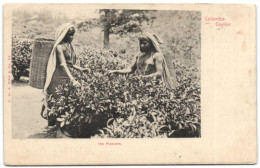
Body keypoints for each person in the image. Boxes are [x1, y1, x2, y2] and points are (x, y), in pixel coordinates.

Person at [41, 23, 89, 125]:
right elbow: (63, 64)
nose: (71, 37)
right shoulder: (59, 47)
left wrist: (81, 69)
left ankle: (62, 125)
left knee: (66, 99)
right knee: (57, 99)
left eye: (72, 34)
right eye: (69, 34)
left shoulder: (69, 46)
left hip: (66, 75)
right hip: (58, 77)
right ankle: (54, 125)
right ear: (63, 34)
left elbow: (70, 64)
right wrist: (73, 79)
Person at [108, 32, 177, 90]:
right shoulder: (139, 55)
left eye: (144, 43)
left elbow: (159, 73)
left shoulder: (156, 56)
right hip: (140, 85)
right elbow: (130, 69)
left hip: (153, 86)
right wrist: (116, 71)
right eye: (140, 43)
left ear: (151, 44)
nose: (141, 45)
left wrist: (145, 78)